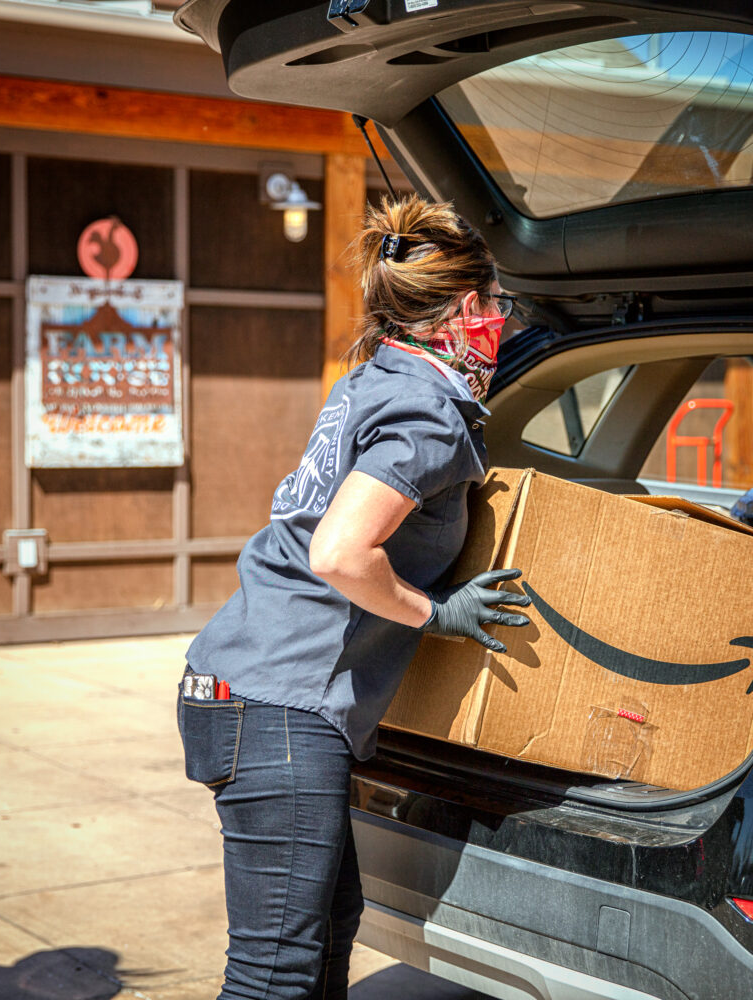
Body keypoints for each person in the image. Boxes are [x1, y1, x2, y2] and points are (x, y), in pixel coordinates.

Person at [177, 194, 532, 1000]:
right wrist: (435, 613)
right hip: (279, 704)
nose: (501, 322)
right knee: (275, 975)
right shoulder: (428, 411)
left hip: (249, 689)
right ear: (465, 310)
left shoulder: (373, 381)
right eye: (498, 305)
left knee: (331, 933)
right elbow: (340, 552)